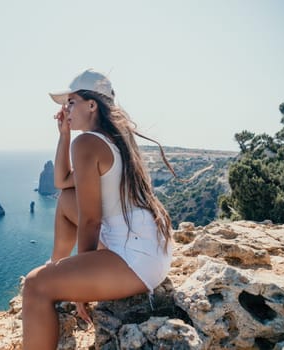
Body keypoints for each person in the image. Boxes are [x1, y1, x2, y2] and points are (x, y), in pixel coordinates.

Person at [22, 69, 174, 349]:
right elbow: (62, 183)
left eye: (71, 102)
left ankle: (54, 280)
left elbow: (91, 221)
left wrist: (80, 289)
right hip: (148, 247)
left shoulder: (88, 143)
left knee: (34, 286)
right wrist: (64, 134)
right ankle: (56, 266)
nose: (65, 109)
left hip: (135, 259)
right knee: (67, 199)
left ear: (91, 105)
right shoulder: (112, 137)